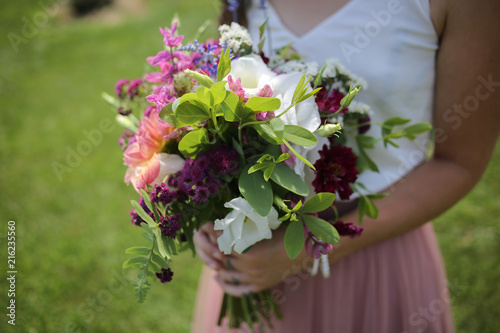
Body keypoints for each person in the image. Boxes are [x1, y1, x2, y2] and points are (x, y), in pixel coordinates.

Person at [192, 0, 500, 332]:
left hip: (377, 259)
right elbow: (224, 101)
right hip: (251, 261)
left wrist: (308, 250)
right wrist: (209, 207)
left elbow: (457, 163)